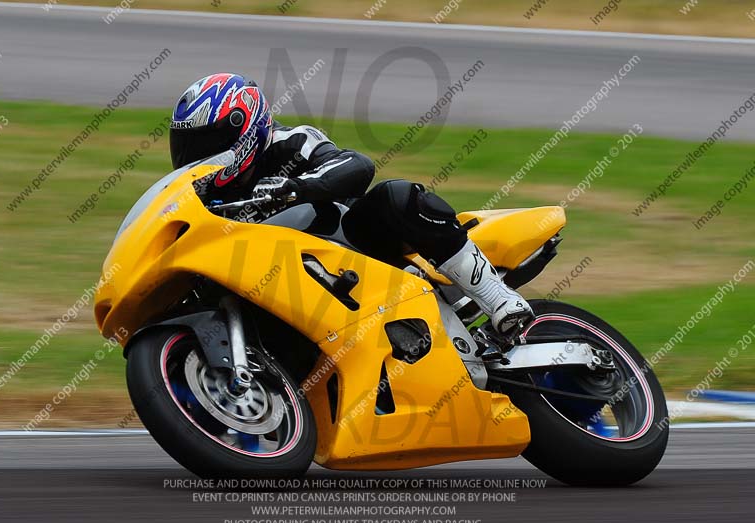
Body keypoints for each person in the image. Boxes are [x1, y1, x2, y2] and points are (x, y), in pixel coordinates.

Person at [168, 73, 533, 335]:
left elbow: (356, 165)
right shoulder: (203, 194)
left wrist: (295, 187)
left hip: (355, 247)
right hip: (286, 286)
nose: (198, 156)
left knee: (394, 196)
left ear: (244, 128)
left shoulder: (292, 142)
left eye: (207, 143)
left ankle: (496, 297)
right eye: (189, 147)